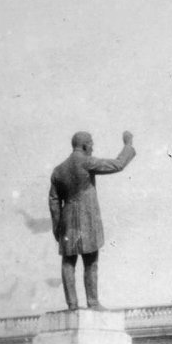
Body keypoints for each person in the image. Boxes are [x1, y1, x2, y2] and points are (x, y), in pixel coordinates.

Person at [49, 130, 135, 310]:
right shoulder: (86, 162)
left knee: (68, 261)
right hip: (86, 217)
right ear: (85, 145)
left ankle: (72, 304)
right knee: (91, 260)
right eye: (92, 144)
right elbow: (118, 164)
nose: (93, 148)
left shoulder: (58, 170)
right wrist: (127, 144)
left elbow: (54, 201)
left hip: (67, 220)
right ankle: (93, 302)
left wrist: (57, 227)